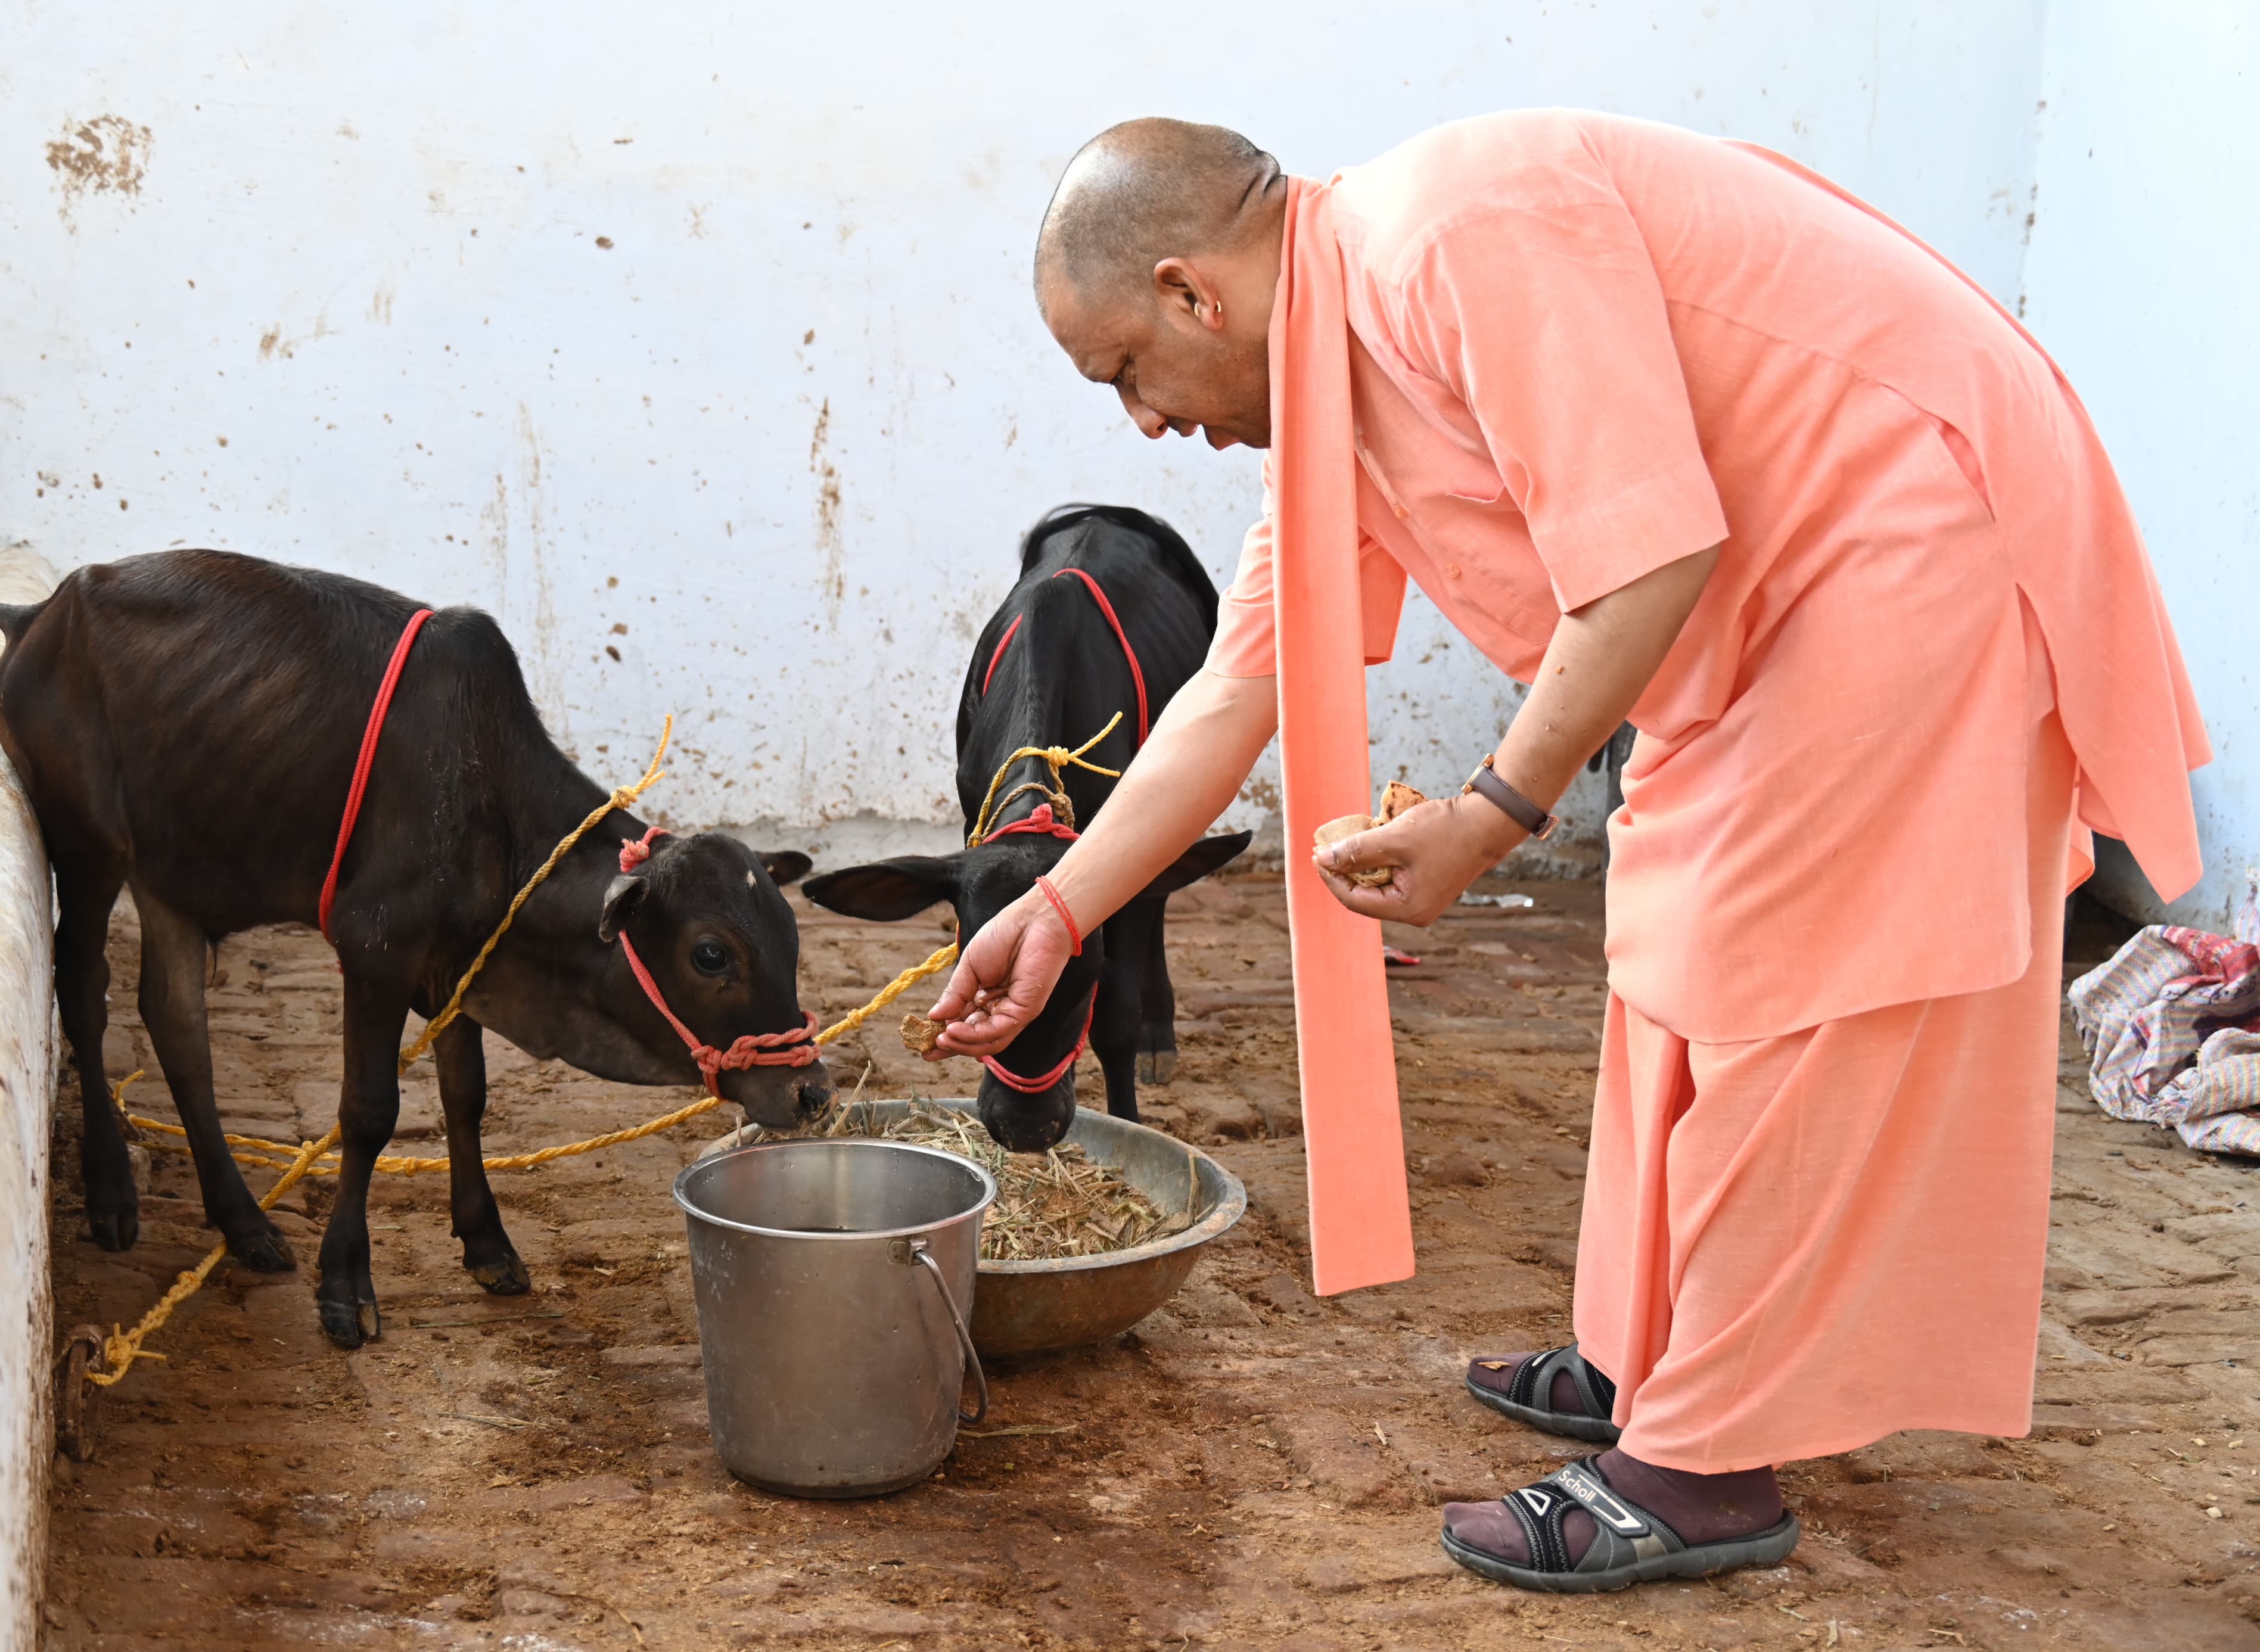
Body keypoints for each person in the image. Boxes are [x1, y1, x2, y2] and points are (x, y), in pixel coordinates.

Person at [924, 112, 2208, 1592]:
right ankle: (1647, 1354)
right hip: (1791, 580)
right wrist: (1064, 909)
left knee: (1775, 977)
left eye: (1126, 373)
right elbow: (1243, 681)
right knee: (1669, 940)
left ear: (1190, 293)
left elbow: (1652, 552)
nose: (1143, 426)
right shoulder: (1338, 364)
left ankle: (1703, 1464)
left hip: (1914, 535)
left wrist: (1491, 813)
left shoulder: (1453, 232)